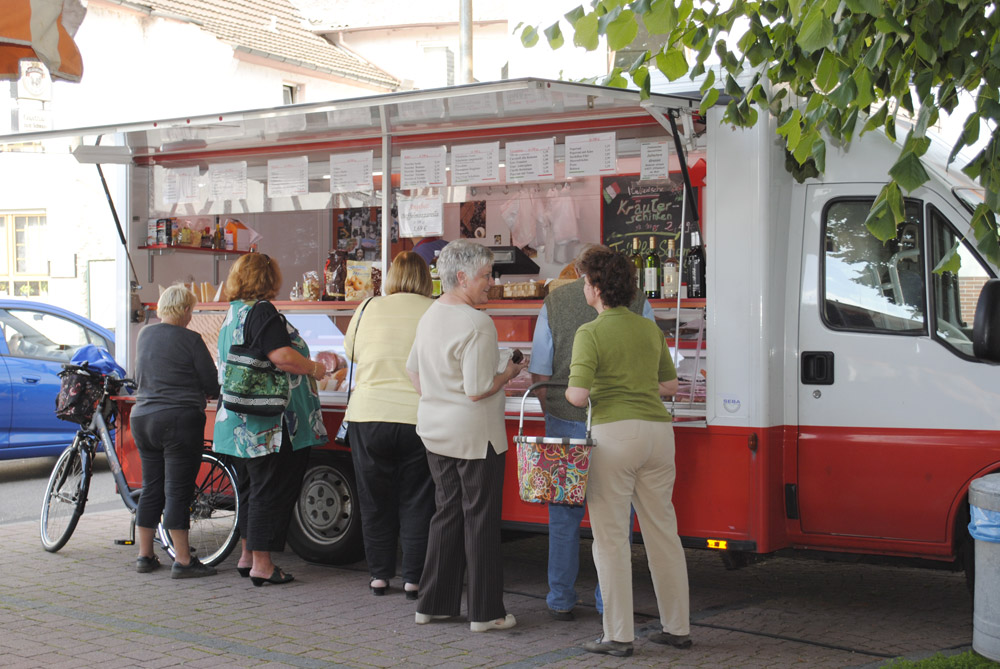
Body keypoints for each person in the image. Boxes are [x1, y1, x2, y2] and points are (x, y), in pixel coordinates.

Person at [565, 245, 691, 657]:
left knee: (612, 539)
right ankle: (677, 627)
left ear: (597, 287)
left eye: (586, 281)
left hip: (613, 437)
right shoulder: (648, 329)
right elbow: (670, 387)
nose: (584, 287)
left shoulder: (591, 332)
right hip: (658, 435)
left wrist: (585, 387)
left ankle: (618, 635)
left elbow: (578, 396)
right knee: (663, 534)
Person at [406, 239, 527, 633]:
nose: (491, 281)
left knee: (446, 515)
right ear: (461, 277)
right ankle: (486, 612)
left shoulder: (430, 314)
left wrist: (441, 396)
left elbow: (413, 372)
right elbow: (477, 388)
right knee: (480, 521)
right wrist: (509, 373)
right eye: (486, 274)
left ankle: (434, 604)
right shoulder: (477, 323)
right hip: (476, 437)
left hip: (435, 431)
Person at [528, 252, 654, 620]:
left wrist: (550, 410)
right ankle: (607, 600)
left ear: (582, 273)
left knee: (563, 515)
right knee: (616, 514)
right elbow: (648, 360)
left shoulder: (553, 301)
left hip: (565, 419)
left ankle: (560, 598)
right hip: (618, 420)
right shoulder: (639, 302)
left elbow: (539, 369)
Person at [213, 253, 328, 587]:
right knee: (270, 490)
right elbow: (281, 357)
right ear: (269, 279)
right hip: (267, 422)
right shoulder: (262, 310)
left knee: (251, 489)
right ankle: (263, 565)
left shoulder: (233, 312)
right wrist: (315, 368)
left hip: (238, 421)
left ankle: (248, 555)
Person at [344, 251, 435, 599]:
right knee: (417, 499)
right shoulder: (434, 310)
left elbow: (350, 353)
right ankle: (413, 579)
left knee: (374, 500)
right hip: (416, 416)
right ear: (426, 278)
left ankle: (379, 576)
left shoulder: (367, 307)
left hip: (368, 416)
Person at [131, 284, 221, 578]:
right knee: (178, 492)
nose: (191, 316)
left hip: (143, 419)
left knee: (152, 488)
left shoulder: (145, 335)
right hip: (179, 420)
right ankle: (183, 560)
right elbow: (210, 384)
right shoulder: (191, 339)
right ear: (184, 310)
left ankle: (145, 556)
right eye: (191, 311)